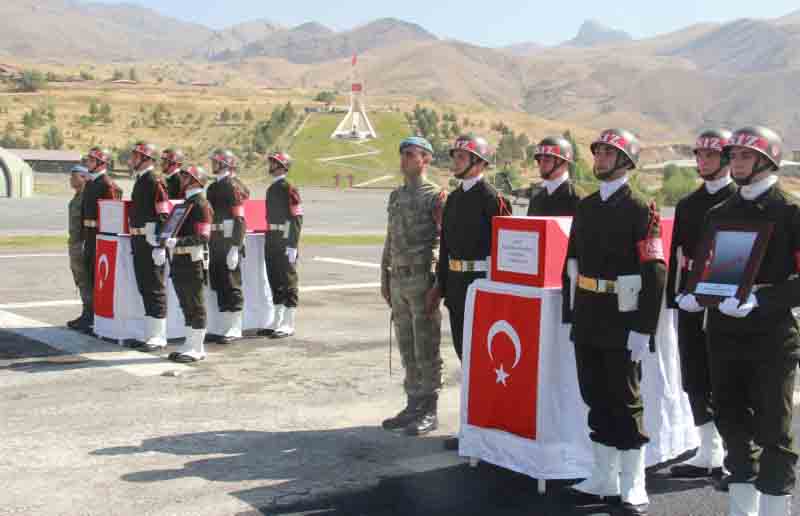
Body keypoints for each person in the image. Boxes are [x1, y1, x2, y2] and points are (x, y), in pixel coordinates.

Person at [562, 128, 666, 516]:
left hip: (622, 318)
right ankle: (603, 477)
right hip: (589, 313)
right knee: (595, 396)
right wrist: (570, 313)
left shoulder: (641, 209)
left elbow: (654, 271)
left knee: (626, 400)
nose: (600, 158)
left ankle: (633, 483)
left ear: (625, 161)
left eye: (609, 153)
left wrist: (643, 328)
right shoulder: (586, 207)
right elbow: (571, 263)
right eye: (599, 152)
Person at [698, 126, 798, 516]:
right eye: (733, 156)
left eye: (743, 156)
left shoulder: (790, 212)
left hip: (771, 334)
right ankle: (742, 509)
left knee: (774, 428)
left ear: (766, 160)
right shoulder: (718, 212)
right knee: (730, 419)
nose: (734, 163)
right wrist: (697, 292)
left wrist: (761, 298)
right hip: (724, 331)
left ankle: (775, 509)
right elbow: (712, 267)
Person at [426, 134, 510, 449]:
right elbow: (446, 246)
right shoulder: (455, 199)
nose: (455, 162)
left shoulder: (493, 199)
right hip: (458, 289)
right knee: (466, 358)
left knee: (484, 362)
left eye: (462, 157)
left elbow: (505, 248)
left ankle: (489, 427)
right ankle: (470, 427)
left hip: (484, 287)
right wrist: (440, 284)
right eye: (456, 156)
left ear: (478, 162)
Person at [666, 129, 737, 479]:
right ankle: (706, 449)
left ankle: (728, 450)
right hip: (691, 297)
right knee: (694, 372)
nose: (702, 162)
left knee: (724, 375)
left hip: (727, 301)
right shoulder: (688, 205)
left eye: (710, 156)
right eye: (699, 156)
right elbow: (677, 253)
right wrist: (673, 300)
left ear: (726, 160)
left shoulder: (739, 201)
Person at [380, 137, 446, 436]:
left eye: (411, 155)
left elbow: (445, 241)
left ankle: (429, 410)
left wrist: (438, 282)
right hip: (398, 278)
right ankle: (412, 404)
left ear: (426, 160)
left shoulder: (436, 197)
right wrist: (384, 276)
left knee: (426, 346)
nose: (405, 159)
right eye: (403, 154)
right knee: (406, 345)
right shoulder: (396, 196)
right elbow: (389, 238)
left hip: (421, 278)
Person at [166, 165, 213, 363]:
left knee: (195, 303)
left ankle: (198, 347)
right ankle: (189, 343)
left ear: (196, 180)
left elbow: (203, 236)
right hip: (180, 258)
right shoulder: (187, 203)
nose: (182, 179)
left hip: (192, 259)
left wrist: (178, 241)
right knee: (185, 303)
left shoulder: (201, 204)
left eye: (186, 176)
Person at [127, 142, 171, 351]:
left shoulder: (154, 180)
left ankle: (158, 336)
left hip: (150, 242)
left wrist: (161, 245)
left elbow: (164, 215)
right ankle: (151, 334)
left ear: (146, 159)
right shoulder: (142, 180)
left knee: (154, 288)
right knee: (145, 287)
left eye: (136, 156)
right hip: (140, 240)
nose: (132, 159)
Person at [258, 151, 303, 339]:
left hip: (285, 240)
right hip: (272, 238)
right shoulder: (272, 188)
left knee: (288, 281)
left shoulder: (289, 188)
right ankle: (277, 321)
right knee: (274, 280)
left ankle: (288, 323)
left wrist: (292, 244)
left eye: (274, 162)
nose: (271, 165)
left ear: (282, 166)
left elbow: (297, 218)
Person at [206, 149, 249, 344]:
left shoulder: (232, 186)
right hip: (215, 239)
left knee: (231, 284)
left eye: (216, 162)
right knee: (219, 283)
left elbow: (240, 218)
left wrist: (235, 246)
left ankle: (235, 327)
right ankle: (224, 326)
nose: (212, 165)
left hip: (228, 239)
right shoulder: (213, 187)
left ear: (225, 164)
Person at [78, 147, 122, 334]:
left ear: (101, 163)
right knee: (88, 275)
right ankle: (90, 316)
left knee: (98, 278)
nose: (87, 162)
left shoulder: (106, 184)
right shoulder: (91, 182)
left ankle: (98, 318)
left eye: (91, 160)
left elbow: (112, 213)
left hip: (100, 235)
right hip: (89, 234)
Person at [526, 136, 582, 216]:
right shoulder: (536, 198)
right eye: (539, 160)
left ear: (564, 162)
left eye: (547, 159)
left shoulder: (577, 197)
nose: (542, 164)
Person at [66, 165, 93, 331]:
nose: (70, 180)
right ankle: (86, 313)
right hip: (74, 242)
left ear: (84, 177)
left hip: (82, 243)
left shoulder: (86, 197)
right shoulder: (77, 196)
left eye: (74, 176)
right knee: (80, 280)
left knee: (85, 279)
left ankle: (89, 315)